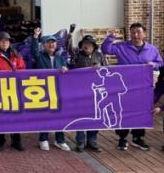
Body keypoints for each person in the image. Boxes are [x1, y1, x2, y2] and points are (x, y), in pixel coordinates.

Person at [102, 23, 164, 151]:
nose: (135, 35)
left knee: (140, 111)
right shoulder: (121, 47)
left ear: (144, 33)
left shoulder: (152, 49)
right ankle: (122, 138)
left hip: (143, 88)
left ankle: (138, 137)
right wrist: (110, 37)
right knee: (123, 112)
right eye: (133, 32)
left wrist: (153, 64)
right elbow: (106, 50)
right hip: (125, 87)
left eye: (138, 32)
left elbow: (160, 62)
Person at [31, 28, 71, 152]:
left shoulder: (60, 58)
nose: (51, 45)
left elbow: (67, 70)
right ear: (44, 45)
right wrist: (35, 37)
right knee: (45, 115)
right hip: (43, 91)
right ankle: (43, 139)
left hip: (58, 91)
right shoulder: (39, 56)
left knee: (60, 115)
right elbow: (33, 51)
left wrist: (65, 69)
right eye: (48, 43)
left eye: (53, 42)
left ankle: (60, 140)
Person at [68, 34, 104, 152]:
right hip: (80, 91)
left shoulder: (99, 56)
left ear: (94, 46)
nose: (86, 46)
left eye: (89, 44)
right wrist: (70, 36)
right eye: (84, 44)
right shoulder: (76, 55)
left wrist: (100, 68)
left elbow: (107, 70)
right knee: (80, 116)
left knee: (95, 116)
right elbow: (68, 48)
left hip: (96, 92)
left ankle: (92, 140)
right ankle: (80, 141)